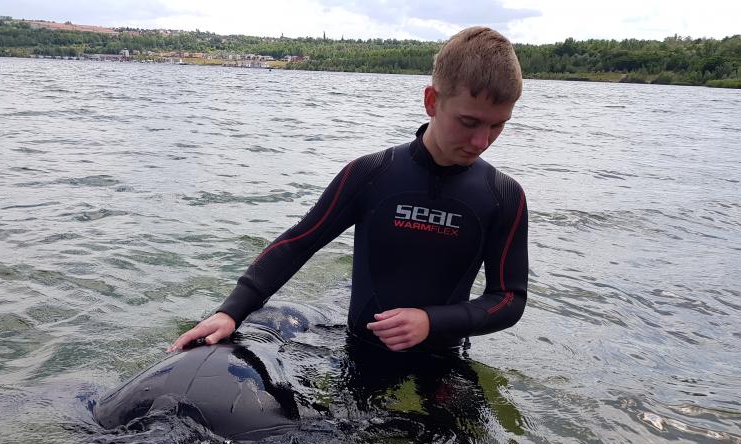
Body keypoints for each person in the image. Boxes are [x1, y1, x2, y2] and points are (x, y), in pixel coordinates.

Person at [170, 26, 528, 355]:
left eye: (498, 125)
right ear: (432, 101)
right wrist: (231, 311)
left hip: (444, 361)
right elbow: (299, 243)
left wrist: (431, 321)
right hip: (359, 355)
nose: (482, 141)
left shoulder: (502, 195)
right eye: (468, 122)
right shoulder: (372, 174)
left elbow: (508, 299)